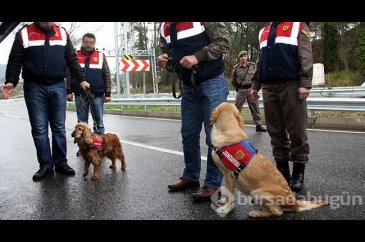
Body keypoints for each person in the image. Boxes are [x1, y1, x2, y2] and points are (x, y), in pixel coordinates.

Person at [3, 22, 88, 181]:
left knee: (59, 127)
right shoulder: (24, 33)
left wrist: (82, 79)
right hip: (34, 87)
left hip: (57, 85)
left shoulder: (62, 33)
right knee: (40, 129)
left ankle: (61, 163)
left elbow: (72, 60)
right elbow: (15, 60)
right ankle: (46, 165)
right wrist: (11, 81)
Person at [158, 22, 231, 201]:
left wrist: (198, 57)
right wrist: (165, 60)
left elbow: (223, 42)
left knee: (213, 135)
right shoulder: (163, 26)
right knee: (188, 133)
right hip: (188, 86)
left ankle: (213, 183)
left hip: (211, 81)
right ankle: (190, 176)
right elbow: (171, 54)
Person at [251, 22, 313, 191]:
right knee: (275, 131)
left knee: (297, 130)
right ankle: (282, 170)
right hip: (269, 87)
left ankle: (298, 171)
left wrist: (305, 82)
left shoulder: (298, 25)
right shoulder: (263, 31)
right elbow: (260, 59)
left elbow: (306, 55)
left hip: (291, 85)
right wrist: (255, 85)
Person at [66, 33, 111, 145]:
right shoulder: (74, 56)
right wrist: (68, 91)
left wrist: (108, 93)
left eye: (91, 43)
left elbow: (107, 75)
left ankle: (100, 145)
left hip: (97, 95)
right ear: (83, 42)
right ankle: (83, 147)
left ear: (94, 43)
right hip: (79, 94)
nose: (88, 45)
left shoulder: (101, 56)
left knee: (99, 122)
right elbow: (68, 75)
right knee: (81, 123)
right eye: (86, 42)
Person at [231, 50, 266, 132]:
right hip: (241, 90)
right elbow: (233, 80)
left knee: (255, 108)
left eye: (244, 56)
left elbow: (257, 76)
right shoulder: (236, 68)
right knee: (236, 108)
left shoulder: (253, 66)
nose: (243, 58)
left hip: (251, 89)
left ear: (247, 57)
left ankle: (259, 125)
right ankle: (234, 125)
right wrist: (238, 86)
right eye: (241, 56)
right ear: (239, 58)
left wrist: (255, 87)